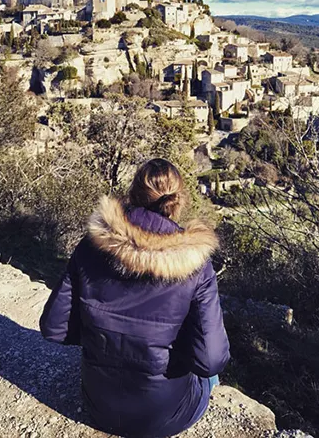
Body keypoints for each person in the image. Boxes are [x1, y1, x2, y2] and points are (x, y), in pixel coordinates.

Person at [40, 158, 230, 438]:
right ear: (177, 201)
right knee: (209, 373)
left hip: (98, 405)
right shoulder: (196, 264)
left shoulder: (91, 245)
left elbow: (53, 327)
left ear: (133, 192)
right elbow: (212, 359)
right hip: (165, 417)